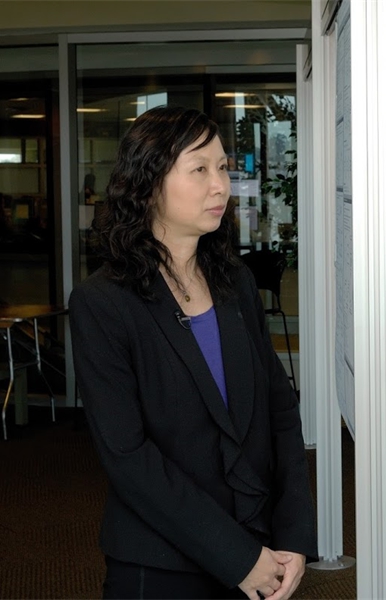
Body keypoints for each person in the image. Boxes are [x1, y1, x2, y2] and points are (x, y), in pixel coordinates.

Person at [69, 106, 316, 600]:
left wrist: (292, 538)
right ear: (149, 181)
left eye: (223, 168)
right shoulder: (103, 302)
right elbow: (128, 456)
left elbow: (279, 410)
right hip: (162, 562)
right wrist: (236, 557)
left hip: (263, 549)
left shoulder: (235, 282)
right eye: (199, 169)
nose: (221, 186)